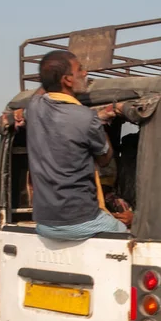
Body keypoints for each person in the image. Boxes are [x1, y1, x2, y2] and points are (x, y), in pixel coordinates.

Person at [26, 50, 128, 240]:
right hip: (80, 220)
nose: (85, 73)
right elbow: (105, 159)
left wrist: (50, 77)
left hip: (44, 222)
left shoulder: (34, 107)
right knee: (126, 233)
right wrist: (100, 122)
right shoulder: (86, 118)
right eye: (80, 69)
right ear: (67, 80)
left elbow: (44, 90)